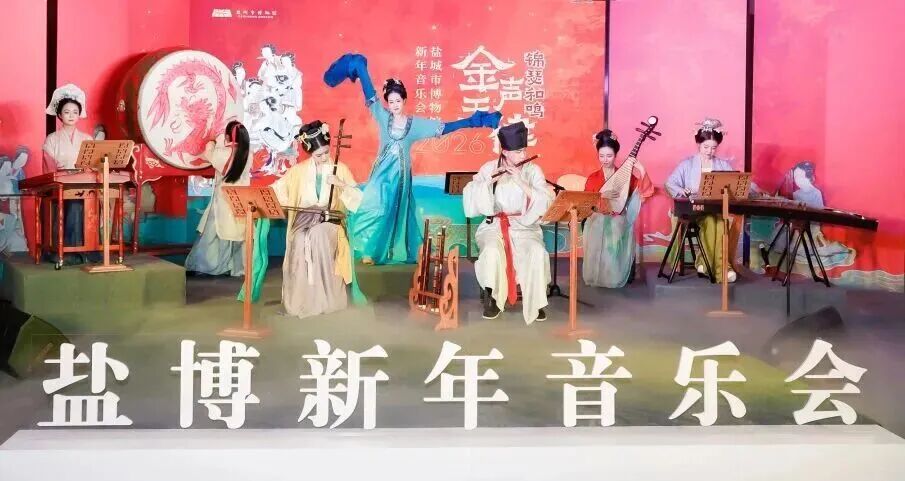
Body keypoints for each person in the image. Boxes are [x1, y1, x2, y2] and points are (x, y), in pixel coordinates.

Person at [324, 53, 501, 265]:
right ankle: (368, 250)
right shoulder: (383, 116)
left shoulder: (414, 124)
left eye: (398, 101)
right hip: (381, 175)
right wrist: (361, 69)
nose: (394, 104)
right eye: (391, 101)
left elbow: (443, 128)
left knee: (397, 211)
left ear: (404, 100)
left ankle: (391, 252)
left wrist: (472, 122)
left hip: (401, 178)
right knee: (375, 205)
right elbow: (370, 95)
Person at [270, 120, 362, 318]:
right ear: (310, 153)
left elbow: (357, 199)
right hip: (304, 222)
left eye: (326, 152)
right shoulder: (298, 171)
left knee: (317, 236)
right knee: (299, 239)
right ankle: (300, 302)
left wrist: (341, 184)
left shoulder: (340, 169)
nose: (324, 157)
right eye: (318, 155)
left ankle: (327, 300)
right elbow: (278, 190)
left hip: (331, 224)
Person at [463, 122, 553, 324]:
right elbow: (470, 193)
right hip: (494, 225)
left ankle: (536, 303)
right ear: (505, 151)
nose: (523, 155)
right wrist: (487, 183)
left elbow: (544, 200)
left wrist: (521, 181)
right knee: (492, 251)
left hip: (525, 226)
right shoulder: (489, 168)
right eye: (518, 152)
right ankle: (494, 299)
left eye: (524, 150)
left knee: (536, 252)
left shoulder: (533, 170)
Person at [664, 118, 739, 282]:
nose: (709, 151)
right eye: (706, 147)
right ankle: (719, 269)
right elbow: (670, 183)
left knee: (721, 222)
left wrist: (755, 189)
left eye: (714, 148)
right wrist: (682, 191)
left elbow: (736, 181)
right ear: (698, 144)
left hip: (714, 210)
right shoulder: (687, 164)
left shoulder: (722, 165)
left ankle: (710, 265)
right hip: (693, 211)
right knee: (713, 221)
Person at [582, 129, 654, 288]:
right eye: (601, 156)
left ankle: (613, 275)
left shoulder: (624, 176)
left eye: (609, 156)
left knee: (616, 226)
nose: (605, 160)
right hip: (597, 217)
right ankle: (598, 275)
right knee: (598, 225)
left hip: (618, 217)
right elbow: (586, 203)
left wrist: (641, 170)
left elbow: (644, 192)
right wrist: (601, 197)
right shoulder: (593, 178)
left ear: (615, 155)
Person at [185, 121, 252, 276]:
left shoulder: (221, 153)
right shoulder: (248, 153)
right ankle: (237, 268)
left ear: (228, 136)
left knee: (213, 234)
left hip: (223, 200)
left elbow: (208, 153)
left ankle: (207, 267)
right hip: (240, 198)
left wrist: (213, 141)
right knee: (238, 235)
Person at [43, 84, 94, 250]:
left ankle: (90, 249)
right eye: (67, 112)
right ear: (59, 114)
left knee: (91, 201)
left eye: (75, 112)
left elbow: (93, 165)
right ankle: (68, 250)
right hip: (60, 185)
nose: (71, 115)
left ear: (79, 115)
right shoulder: (52, 139)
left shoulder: (87, 139)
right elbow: (49, 169)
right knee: (74, 204)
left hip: (85, 184)